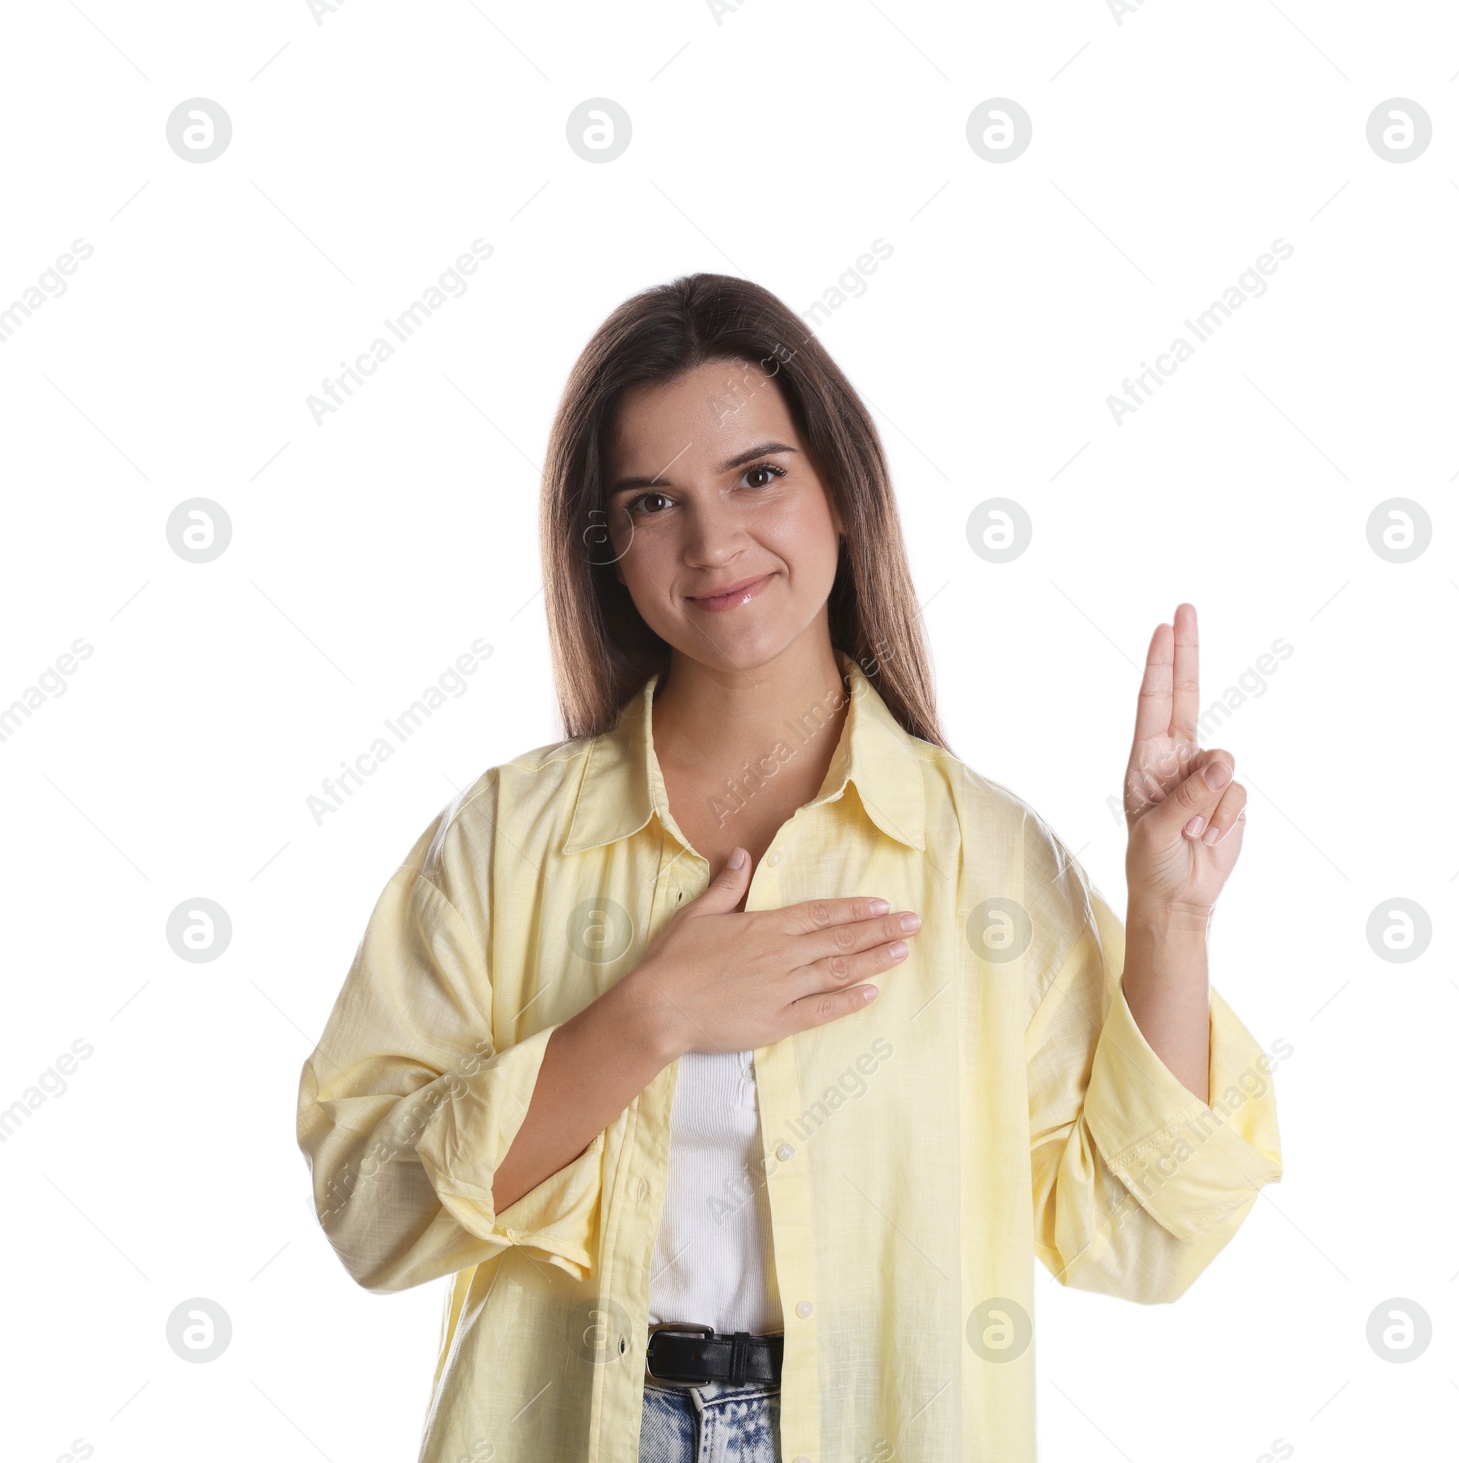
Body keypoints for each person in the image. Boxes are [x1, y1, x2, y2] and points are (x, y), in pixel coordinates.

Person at [296, 273, 1284, 1463]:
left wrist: (1170, 918)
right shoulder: (510, 839)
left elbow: (1138, 1227)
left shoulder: (982, 856)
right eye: (653, 501)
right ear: (607, 546)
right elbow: (368, 1207)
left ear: (840, 491)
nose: (714, 543)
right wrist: (646, 1016)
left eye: (756, 474)